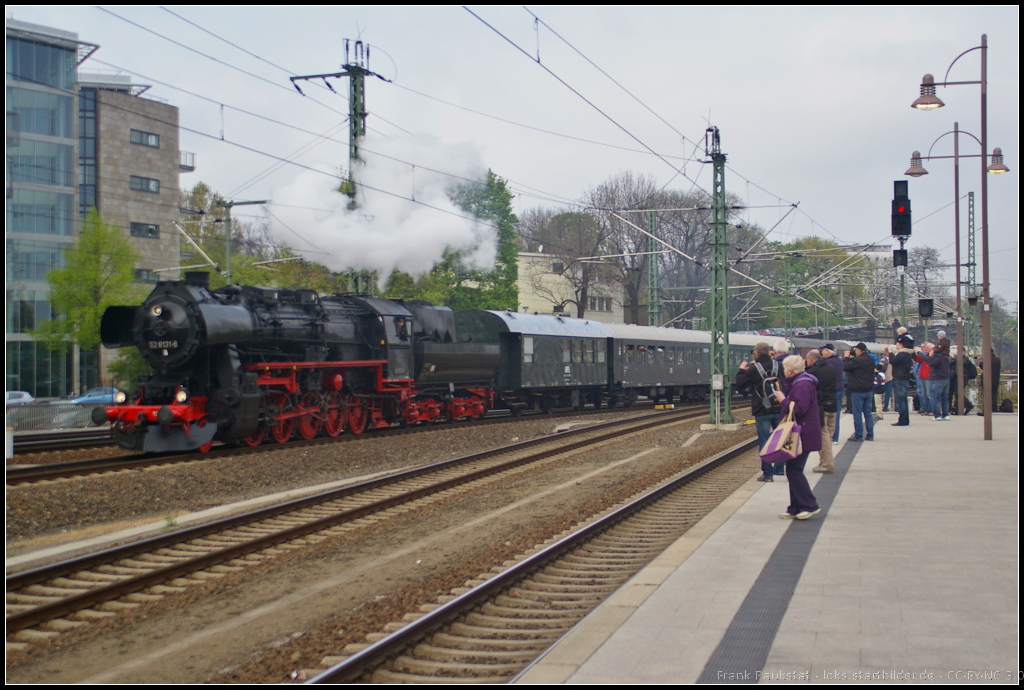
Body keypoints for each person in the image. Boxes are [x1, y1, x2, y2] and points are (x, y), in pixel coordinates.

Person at [774, 355, 822, 520]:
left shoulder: (802, 384)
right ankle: (795, 507)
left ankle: (809, 505)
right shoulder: (801, 382)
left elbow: (800, 409)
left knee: (794, 470)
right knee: (792, 469)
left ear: (789, 370)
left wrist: (783, 400)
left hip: (803, 433)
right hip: (802, 432)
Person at [736, 342, 783, 482]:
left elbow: (740, 384)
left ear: (756, 353)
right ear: (769, 353)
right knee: (780, 439)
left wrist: (742, 370)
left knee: (764, 441)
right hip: (779, 407)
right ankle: (780, 468)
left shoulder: (754, 369)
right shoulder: (778, 366)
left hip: (761, 409)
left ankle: (768, 474)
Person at [805, 349, 836, 473]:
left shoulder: (814, 371)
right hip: (832, 405)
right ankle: (825, 460)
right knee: (828, 435)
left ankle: (827, 464)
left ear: (811, 360)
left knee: (823, 436)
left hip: (822, 406)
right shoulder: (830, 367)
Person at [843, 342, 876, 441]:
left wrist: (847, 358)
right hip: (869, 389)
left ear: (859, 350)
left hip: (858, 390)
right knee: (868, 413)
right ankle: (870, 435)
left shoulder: (857, 361)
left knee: (857, 413)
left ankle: (858, 435)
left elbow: (846, 367)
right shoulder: (871, 359)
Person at [889, 335, 916, 426]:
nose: (896, 345)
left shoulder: (902, 354)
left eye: (897, 343)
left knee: (900, 400)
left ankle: (902, 420)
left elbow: (893, 361)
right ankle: (905, 419)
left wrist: (890, 353)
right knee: (903, 399)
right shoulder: (908, 354)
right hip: (904, 378)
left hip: (899, 379)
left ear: (901, 345)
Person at [821, 344, 845, 445]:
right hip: (840, 389)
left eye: (823, 351)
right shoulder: (839, 360)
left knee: (827, 415)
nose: (821, 353)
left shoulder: (828, 362)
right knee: (837, 414)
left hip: (831, 391)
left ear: (827, 351)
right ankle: (835, 438)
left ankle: (828, 437)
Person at [923, 340, 951, 420]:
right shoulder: (946, 356)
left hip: (938, 378)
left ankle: (937, 415)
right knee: (945, 398)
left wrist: (931, 356)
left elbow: (931, 364)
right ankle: (946, 414)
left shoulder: (938, 357)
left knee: (937, 398)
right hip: (946, 378)